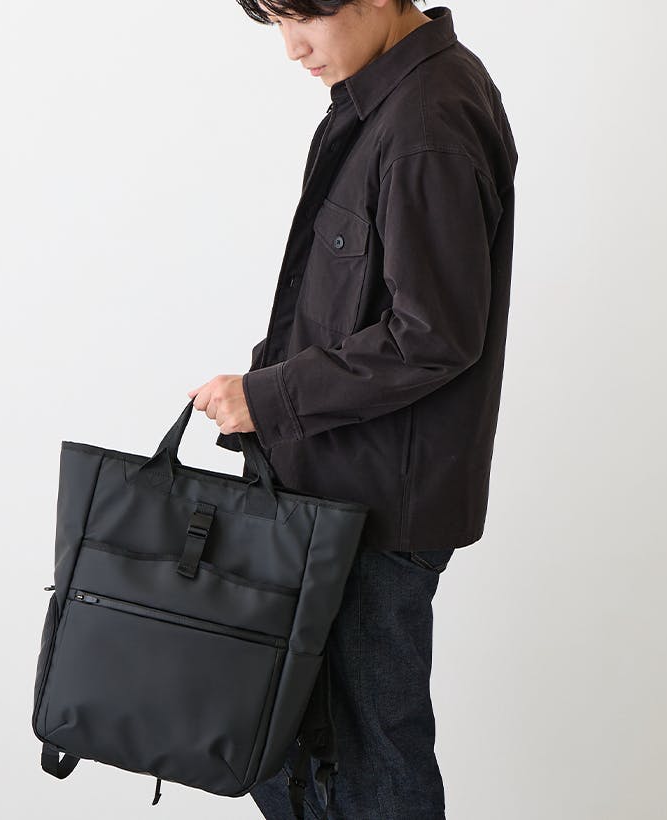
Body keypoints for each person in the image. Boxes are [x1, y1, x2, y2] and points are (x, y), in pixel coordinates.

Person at [188, 2, 517, 817]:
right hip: (333, 492)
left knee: (371, 762)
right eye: (274, 21)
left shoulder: (428, 122)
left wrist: (267, 398)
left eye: (304, 16)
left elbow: (431, 335)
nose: (292, 48)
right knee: (286, 741)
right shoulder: (387, 101)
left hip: (372, 514)